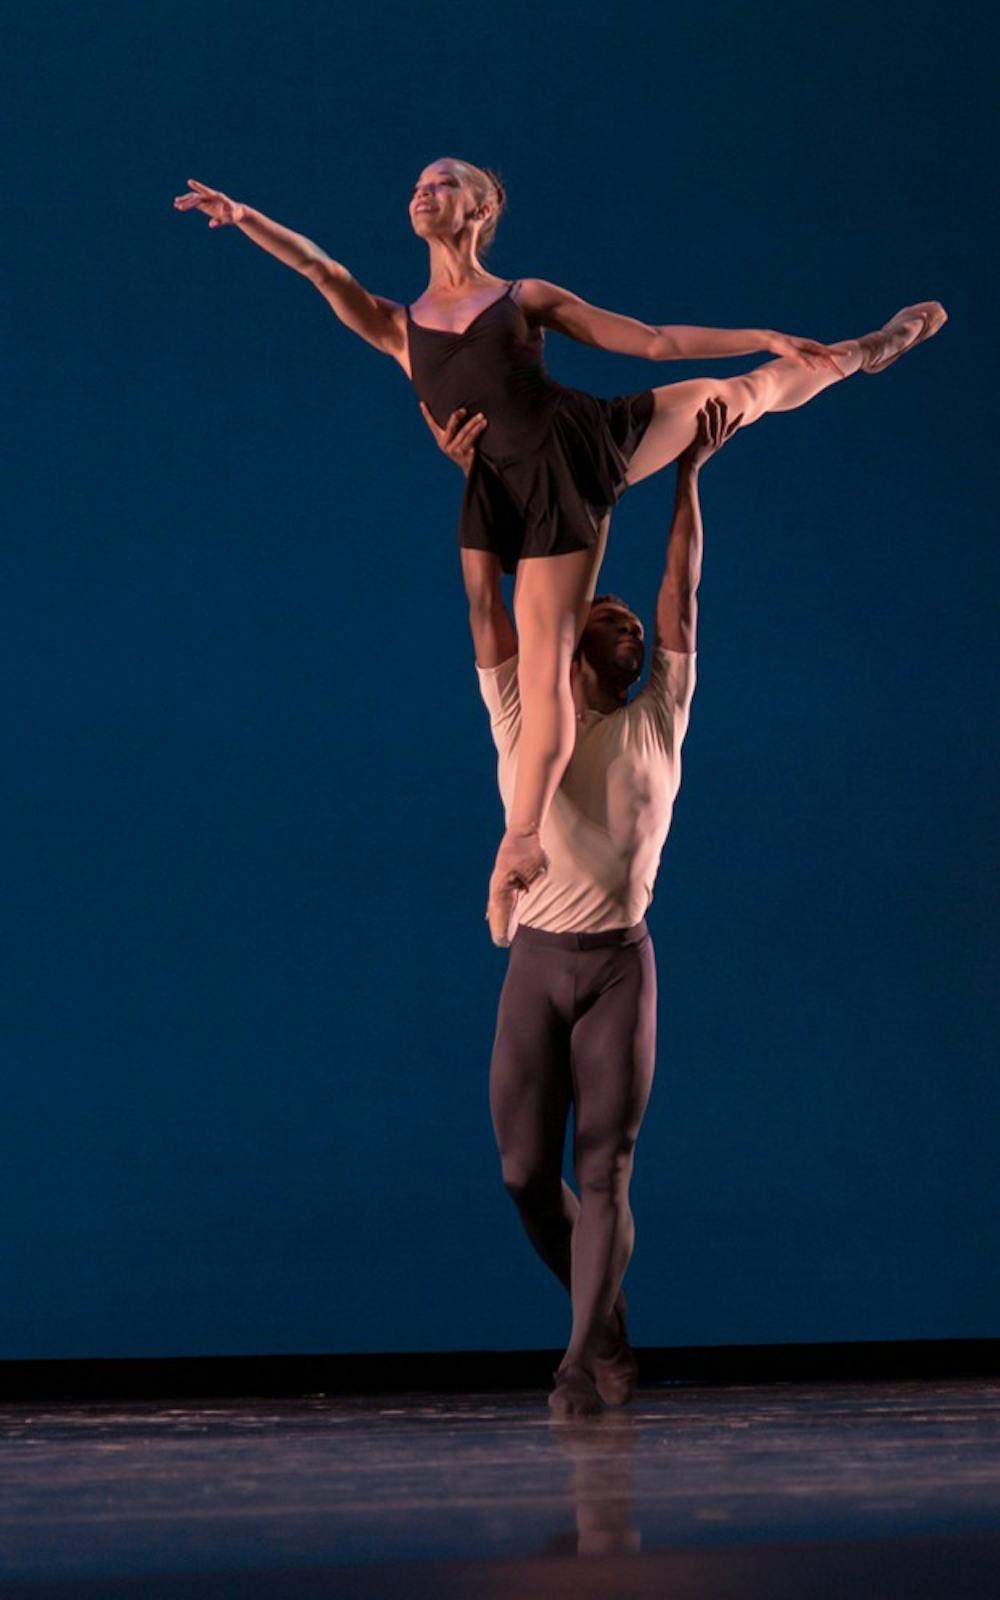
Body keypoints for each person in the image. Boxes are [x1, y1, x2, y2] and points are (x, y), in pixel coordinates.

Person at [173, 159, 946, 945]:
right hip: (528, 493)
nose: (421, 188)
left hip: (584, 438)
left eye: (442, 181)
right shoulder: (396, 326)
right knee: (541, 668)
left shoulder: (522, 298)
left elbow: (651, 341)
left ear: (480, 207)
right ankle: (521, 837)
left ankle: (861, 351)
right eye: (416, 181)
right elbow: (321, 268)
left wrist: (765, 335)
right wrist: (246, 218)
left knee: (735, 394)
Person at [424, 388, 737, 1417]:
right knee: (524, 1172)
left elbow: (682, 594)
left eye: (633, 627)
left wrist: (688, 480)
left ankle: (579, 1364)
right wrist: (476, 480)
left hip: (615, 965)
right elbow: (485, 605)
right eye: (609, 617)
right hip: (538, 963)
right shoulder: (524, 704)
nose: (630, 622)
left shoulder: (662, 714)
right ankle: (601, 1319)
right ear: (579, 649)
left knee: (605, 1169)